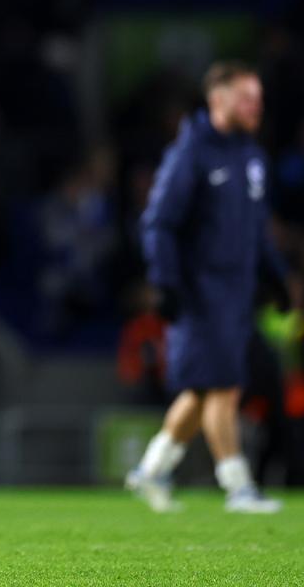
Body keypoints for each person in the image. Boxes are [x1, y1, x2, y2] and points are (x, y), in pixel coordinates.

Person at [128, 61, 292, 513]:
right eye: (245, 97)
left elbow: (258, 231)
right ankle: (238, 486)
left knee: (201, 391)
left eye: (257, 97)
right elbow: (159, 223)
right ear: (218, 100)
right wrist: (165, 284)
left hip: (238, 296)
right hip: (200, 294)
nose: (255, 105)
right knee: (224, 388)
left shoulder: (252, 157)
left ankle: (151, 471)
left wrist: (276, 276)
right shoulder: (191, 153)